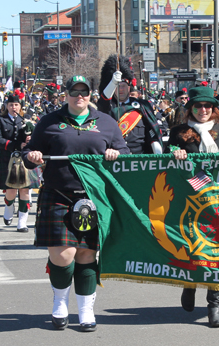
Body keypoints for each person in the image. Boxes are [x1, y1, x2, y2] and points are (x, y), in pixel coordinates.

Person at [22, 75, 130, 332]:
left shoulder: (106, 122)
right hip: (58, 193)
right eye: (74, 92)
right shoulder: (48, 122)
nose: (79, 96)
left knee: (86, 255)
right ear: (66, 94)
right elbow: (29, 154)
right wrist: (33, 156)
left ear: (90, 94)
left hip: (93, 196)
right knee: (62, 255)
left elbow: (124, 153)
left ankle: (85, 310)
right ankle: (60, 302)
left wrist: (115, 154)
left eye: (84, 92)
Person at [168, 86, 219, 328]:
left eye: (208, 106)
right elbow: (167, 156)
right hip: (191, 201)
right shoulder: (179, 132)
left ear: (214, 109)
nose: (203, 110)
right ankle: (189, 284)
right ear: (190, 108)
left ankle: (214, 306)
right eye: (198, 106)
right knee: (192, 246)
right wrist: (175, 152)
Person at [97, 54, 164, 154]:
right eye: (118, 86)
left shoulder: (142, 105)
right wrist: (112, 82)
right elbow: (103, 102)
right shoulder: (108, 106)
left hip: (139, 159)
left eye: (123, 86)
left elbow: (151, 131)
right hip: (114, 157)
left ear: (129, 88)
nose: (121, 89)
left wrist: (156, 147)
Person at [0, 94, 39, 232]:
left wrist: (30, 137)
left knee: (25, 190)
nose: (14, 107)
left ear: (20, 107)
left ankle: (22, 222)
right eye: (11, 105)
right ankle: (8, 207)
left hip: (24, 159)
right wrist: (17, 145)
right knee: (11, 190)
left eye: (16, 105)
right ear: (7, 106)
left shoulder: (25, 121)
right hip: (7, 159)